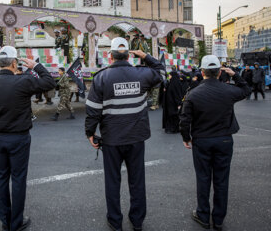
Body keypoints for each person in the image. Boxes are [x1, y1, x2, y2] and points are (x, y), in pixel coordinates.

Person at [85, 38, 163, 231]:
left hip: (111, 139)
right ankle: (137, 221)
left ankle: (115, 220)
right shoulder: (143, 74)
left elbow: (93, 109)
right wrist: (146, 56)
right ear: (129, 55)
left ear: (110, 56)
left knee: (113, 181)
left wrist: (90, 132)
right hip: (136, 138)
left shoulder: (102, 77)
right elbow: (162, 72)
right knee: (137, 181)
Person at [0, 46, 56, 231]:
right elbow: (49, 82)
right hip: (19, 138)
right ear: (14, 63)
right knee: (18, 179)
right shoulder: (24, 81)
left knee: (1, 178)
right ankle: (16, 222)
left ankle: (5, 220)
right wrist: (36, 65)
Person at [179, 55, 251, 231]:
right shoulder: (228, 91)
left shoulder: (193, 93)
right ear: (219, 72)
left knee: (203, 178)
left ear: (202, 72)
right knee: (221, 179)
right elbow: (246, 90)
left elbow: (184, 119)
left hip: (202, 140)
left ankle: (203, 215)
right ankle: (218, 219)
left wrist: (186, 137)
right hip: (224, 139)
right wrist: (235, 75)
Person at [162, 69, 183, 134]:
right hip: (170, 102)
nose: (169, 76)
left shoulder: (176, 83)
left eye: (170, 75)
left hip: (174, 103)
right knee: (170, 115)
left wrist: (179, 104)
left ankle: (174, 129)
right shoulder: (171, 82)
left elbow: (177, 94)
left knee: (173, 116)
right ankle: (170, 128)